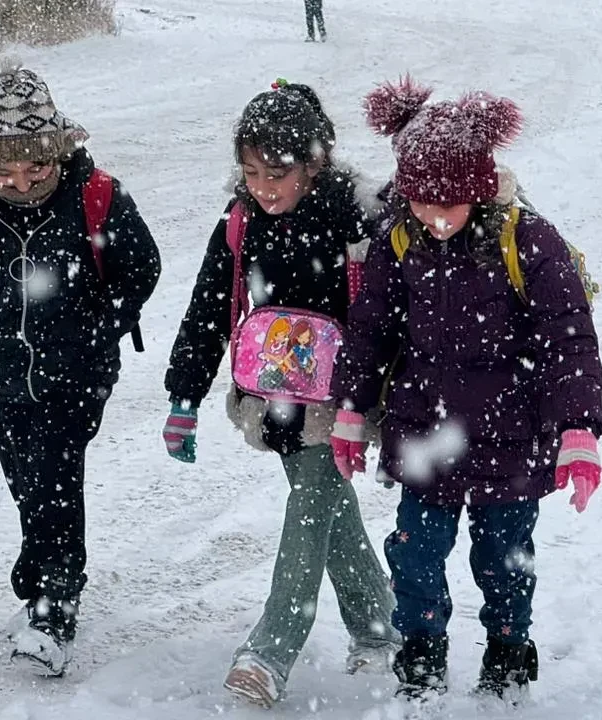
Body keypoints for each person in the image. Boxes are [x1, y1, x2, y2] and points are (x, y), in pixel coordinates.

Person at [328, 76, 602, 703]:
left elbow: (569, 340)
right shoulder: (399, 240)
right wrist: (351, 411)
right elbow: (369, 329)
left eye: (447, 205)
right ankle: (421, 658)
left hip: (510, 440)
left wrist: (578, 428)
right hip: (425, 436)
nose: (434, 218)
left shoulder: (528, 241)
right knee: (415, 558)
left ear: (478, 190)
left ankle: (509, 656)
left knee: (503, 560)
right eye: (422, 203)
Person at [0, 56, 161, 677]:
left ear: (58, 151)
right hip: (1, 369)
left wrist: (97, 330)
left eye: (36, 167)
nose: (21, 183)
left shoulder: (94, 193)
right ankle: (39, 566)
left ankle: (56, 601)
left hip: (77, 371)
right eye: (5, 169)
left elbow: (142, 268)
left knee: (55, 467)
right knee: (24, 472)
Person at [162, 80, 399, 708]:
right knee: (324, 505)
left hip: (340, 396)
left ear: (315, 162)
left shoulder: (356, 214)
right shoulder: (241, 220)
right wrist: (183, 395)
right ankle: (378, 628)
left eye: (277, 172)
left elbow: (392, 308)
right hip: (274, 395)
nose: (263, 186)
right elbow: (209, 307)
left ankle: (271, 649)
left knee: (312, 501)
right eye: (250, 170)